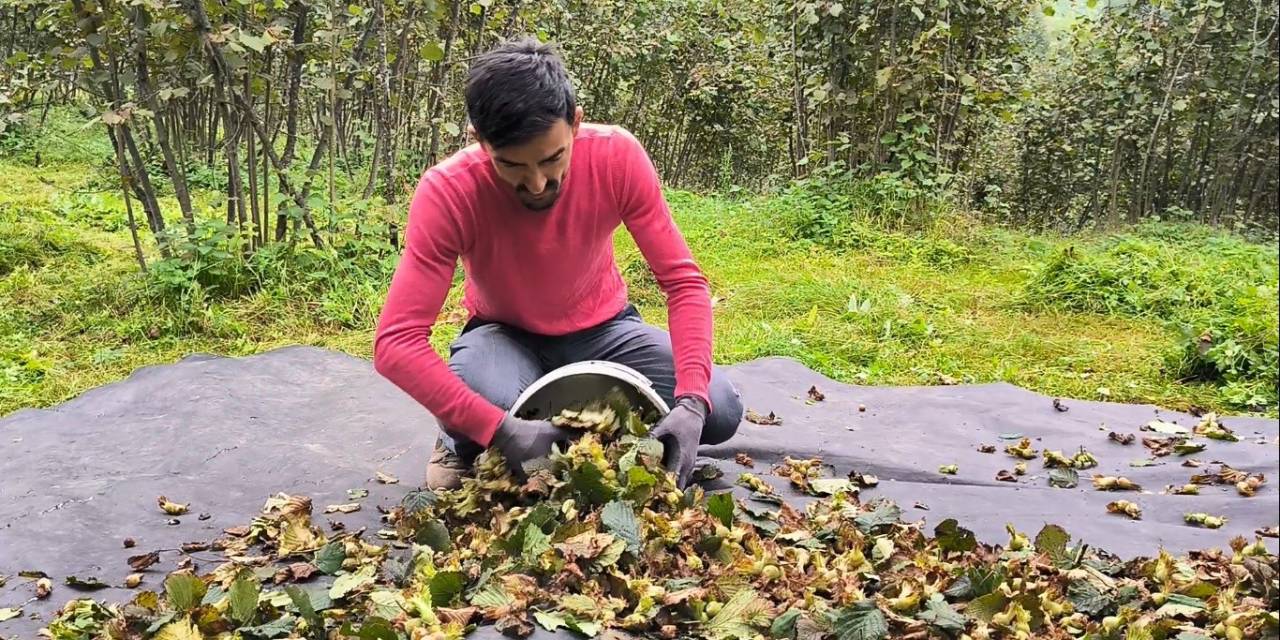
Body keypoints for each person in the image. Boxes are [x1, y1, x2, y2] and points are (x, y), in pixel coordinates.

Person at [373, 37, 743, 490]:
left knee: (718, 411)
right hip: (505, 336)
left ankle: (561, 415)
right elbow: (396, 343)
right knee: (478, 412)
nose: (536, 183)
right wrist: (498, 429)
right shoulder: (449, 192)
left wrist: (689, 404)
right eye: (511, 166)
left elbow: (683, 283)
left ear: (576, 124)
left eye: (553, 158)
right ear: (478, 141)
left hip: (607, 330)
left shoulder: (616, 157)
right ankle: (458, 443)